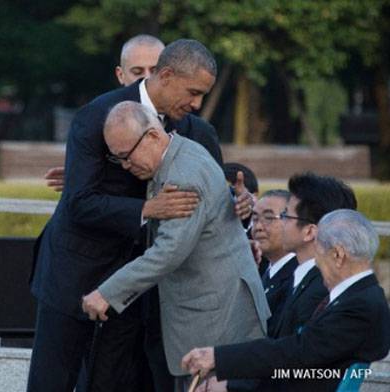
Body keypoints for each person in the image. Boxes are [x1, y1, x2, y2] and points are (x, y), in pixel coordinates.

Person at [28, 39, 254, 392]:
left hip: (144, 291)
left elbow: (212, 205)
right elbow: (78, 203)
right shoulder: (96, 116)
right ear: (166, 75)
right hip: (74, 274)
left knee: (114, 384)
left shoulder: (199, 131)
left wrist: (240, 205)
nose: (197, 104)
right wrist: (147, 209)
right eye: (193, 92)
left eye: (203, 96)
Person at [81, 101, 270, 392]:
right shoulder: (181, 151)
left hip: (217, 319)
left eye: (127, 157)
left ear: (154, 136)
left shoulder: (183, 177)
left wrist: (106, 293)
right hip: (216, 311)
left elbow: (168, 252)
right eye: (119, 160)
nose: (127, 167)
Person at [182, 209, 390, 392]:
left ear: (337, 255)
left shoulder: (360, 305)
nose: (316, 263)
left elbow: (295, 353)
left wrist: (218, 358)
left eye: (318, 254)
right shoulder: (357, 297)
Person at [45, 34, 165, 192]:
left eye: (154, 71)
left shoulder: (183, 118)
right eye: (137, 72)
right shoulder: (95, 118)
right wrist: (84, 176)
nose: (146, 79)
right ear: (120, 75)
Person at [271, 173, 357, 339]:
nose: (280, 222)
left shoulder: (321, 290)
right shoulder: (304, 277)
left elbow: (293, 355)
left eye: (285, 215)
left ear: (309, 231)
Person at [250, 190, 298, 336]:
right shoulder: (264, 270)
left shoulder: (296, 279)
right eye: (255, 218)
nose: (258, 227)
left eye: (269, 218)